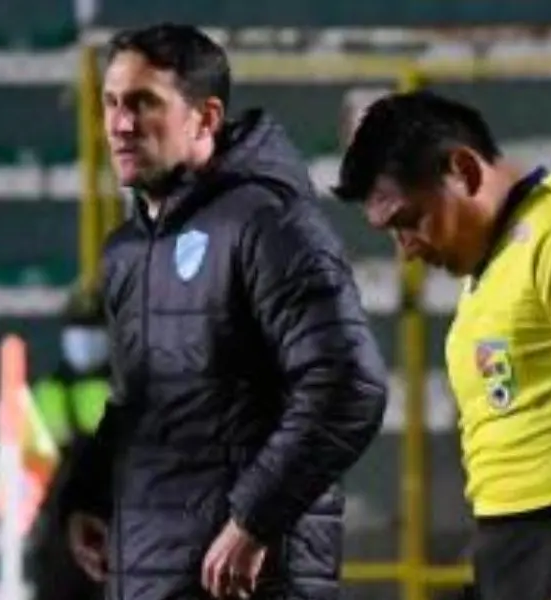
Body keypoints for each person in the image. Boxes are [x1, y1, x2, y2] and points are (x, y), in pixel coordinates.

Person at [65, 23, 390, 600]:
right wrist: (89, 496)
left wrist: (254, 521)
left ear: (207, 118)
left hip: (246, 584)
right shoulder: (128, 251)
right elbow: (139, 399)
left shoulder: (269, 223)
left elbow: (348, 383)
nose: (119, 124)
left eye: (145, 103)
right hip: (149, 575)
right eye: (112, 103)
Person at [333, 91, 551, 600]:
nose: (405, 249)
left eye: (409, 221)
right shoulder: (494, 262)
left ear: (464, 171)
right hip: (520, 550)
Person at [30, 287, 111, 600]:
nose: (85, 338)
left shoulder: (124, 390)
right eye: (77, 328)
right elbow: (31, 468)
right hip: (58, 532)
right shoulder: (46, 392)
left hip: (113, 526)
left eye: (93, 329)